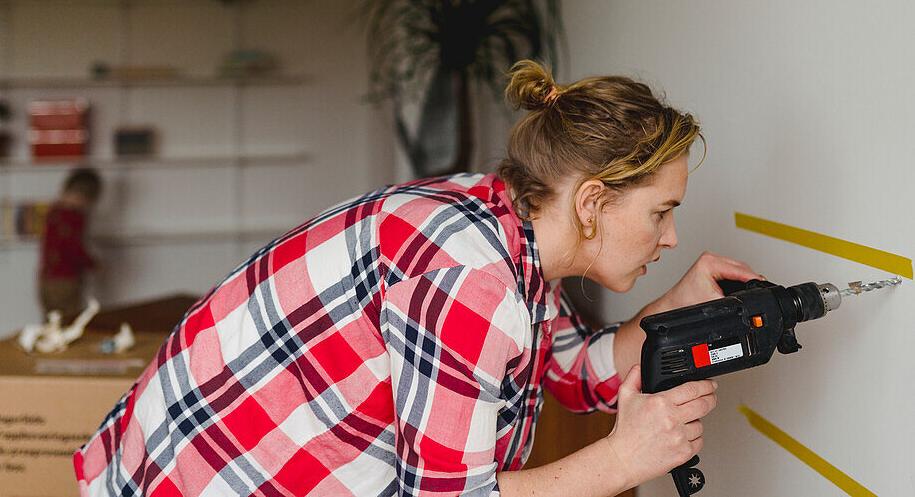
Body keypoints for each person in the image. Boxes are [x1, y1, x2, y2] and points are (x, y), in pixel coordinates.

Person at [75, 61, 761, 496]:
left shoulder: (505, 219)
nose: (671, 237)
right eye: (662, 211)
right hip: (210, 477)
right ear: (592, 203)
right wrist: (620, 461)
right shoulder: (471, 276)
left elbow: (573, 369)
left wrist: (679, 306)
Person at [38, 167, 102, 323]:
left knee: (51, 322)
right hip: (65, 279)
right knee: (69, 321)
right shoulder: (73, 216)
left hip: (46, 278)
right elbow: (73, 248)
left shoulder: (53, 211)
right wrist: (94, 265)